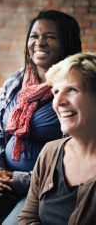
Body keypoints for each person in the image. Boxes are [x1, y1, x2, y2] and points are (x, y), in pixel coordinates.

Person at [0, 10, 82, 225]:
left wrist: (20, 180)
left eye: (50, 36)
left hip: (46, 183)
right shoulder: (15, 81)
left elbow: (73, 156)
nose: (40, 42)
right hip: (2, 175)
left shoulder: (74, 89)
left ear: (67, 42)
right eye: (34, 36)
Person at [18, 53, 96, 224]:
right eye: (56, 92)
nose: (58, 101)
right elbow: (28, 218)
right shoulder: (50, 151)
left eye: (72, 90)